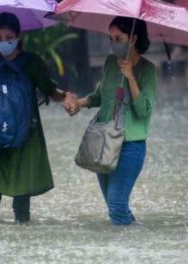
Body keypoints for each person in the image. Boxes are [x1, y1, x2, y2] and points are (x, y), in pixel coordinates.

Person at [0, 12, 75, 224]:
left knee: (21, 204)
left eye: (9, 37)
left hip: (26, 136)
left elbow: (50, 91)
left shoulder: (33, 63)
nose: (4, 42)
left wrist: (65, 97)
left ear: (19, 36)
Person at [66, 17, 157, 225]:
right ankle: (134, 244)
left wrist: (131, 77)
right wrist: (78, 104)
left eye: (119, 38)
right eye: (110, 38)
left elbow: (144, 111)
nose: (113, 43)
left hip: (130, 146)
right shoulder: (109, 63)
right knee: (115, 207)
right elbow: (99, 96)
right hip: (104, 143)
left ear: (133, 39)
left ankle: (127, 252)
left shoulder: (148, 70)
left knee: (117, 204)